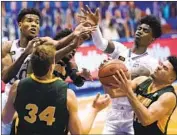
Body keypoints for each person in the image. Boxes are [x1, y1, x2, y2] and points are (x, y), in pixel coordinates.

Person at [2, 8, 95, 134]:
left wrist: (75, 35)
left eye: (37, 22)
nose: (34, 24)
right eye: (29, 21)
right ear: (19, 24)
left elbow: (58, 44)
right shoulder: (7, 46)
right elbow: (5, 77)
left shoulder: (43, 44)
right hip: (10, 97)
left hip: (32, 98)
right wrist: (25, 53)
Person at [79, 6, 162, 135]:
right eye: (139, 28)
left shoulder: (152, 64)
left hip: (134, 115)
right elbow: (100, 43)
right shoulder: (120, 50)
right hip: (113, 114)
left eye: (145, 30)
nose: (140, 31)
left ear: (152, 39)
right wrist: (95, 27)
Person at [2, 44, 111, 135]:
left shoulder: (17, 86)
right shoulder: (67, 94)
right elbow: (79, 133)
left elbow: (6, 119)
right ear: (51, 67)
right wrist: (95, 108)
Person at [111, 56, 177, 135]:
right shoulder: (142, 80)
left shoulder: (168, 96)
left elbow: (146, 120)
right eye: (161, 64)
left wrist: (128, 92)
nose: (159, 67)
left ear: (171, 79)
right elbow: (113, 93)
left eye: (165, 68)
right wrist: (108, 71)